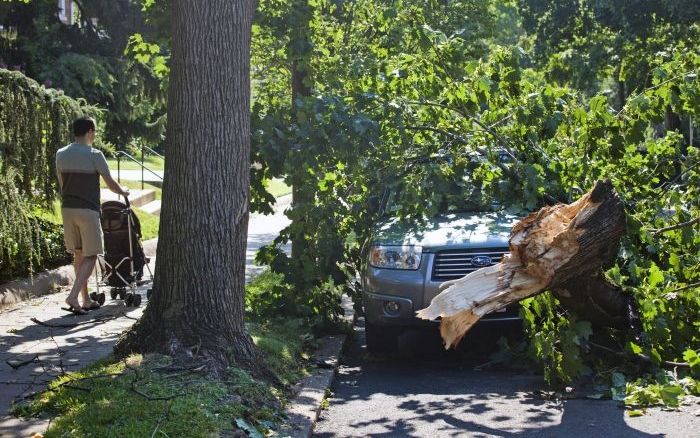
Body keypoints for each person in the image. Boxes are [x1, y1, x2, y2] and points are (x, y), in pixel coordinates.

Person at [56, 117, 129, 314]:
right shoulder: (95, 154)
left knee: (78, 253)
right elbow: (110, 183)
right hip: (87, 210)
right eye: (94, 132)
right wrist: (124, 192)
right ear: (89, 131)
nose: (95, 135)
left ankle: (85, 299)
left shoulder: (61, 154)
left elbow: (62, 184)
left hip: (68, 209)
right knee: (91, 254)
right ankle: (73, 296)